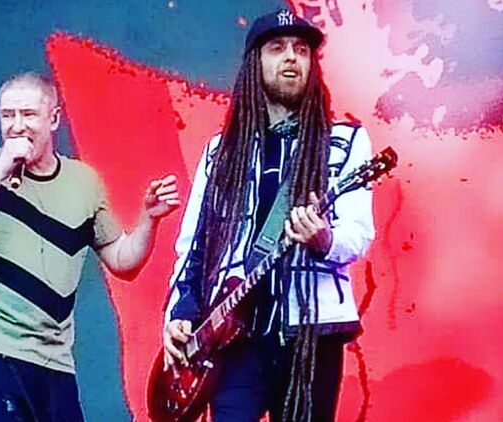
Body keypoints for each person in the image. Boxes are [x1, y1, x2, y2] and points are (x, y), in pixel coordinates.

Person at [162, 5, 375, 422]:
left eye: (301, 49)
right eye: (277, 48)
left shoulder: (346, 142)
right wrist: (181, 313)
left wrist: (324, 239)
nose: (291, 57)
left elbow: (359, 233)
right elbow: (195, 247)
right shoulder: (222, 152)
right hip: (232, 338)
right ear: (254, 63)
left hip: (311, 336)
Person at [0, 72, 180, 421]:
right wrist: (1, 170)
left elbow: (123, 261)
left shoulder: (83, 182)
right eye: (7, 115)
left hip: (54, 362)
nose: (17, 126)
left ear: (54, 119)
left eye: (28, 114)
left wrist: (149, 219)